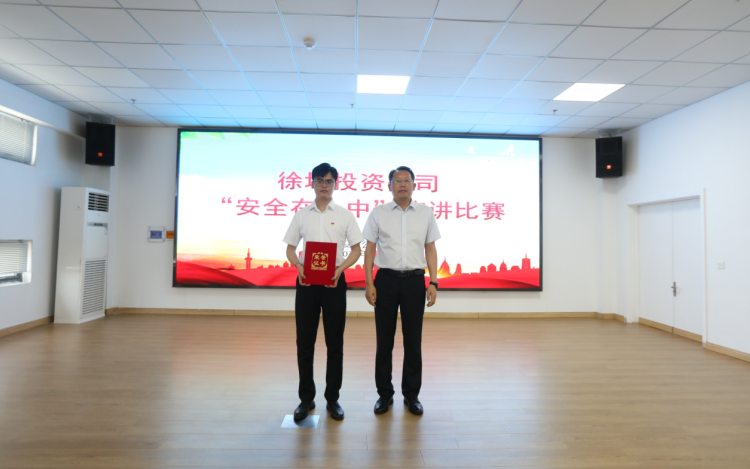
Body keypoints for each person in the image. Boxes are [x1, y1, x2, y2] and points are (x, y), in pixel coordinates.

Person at [283, 162, 363, 422]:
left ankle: (333, 399)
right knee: (304, 343)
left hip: (334, 284)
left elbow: (356, 249)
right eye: (320, 180)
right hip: (306, 285)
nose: (324, 185)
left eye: (329, 181)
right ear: (312, 183)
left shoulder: (345, 215)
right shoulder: (301, 215)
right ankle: (306, 399)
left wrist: (341, 269)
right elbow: (290, 248)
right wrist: (298, 266)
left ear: (335, 184)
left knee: (334, 343)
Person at [362, 166, 440, 416]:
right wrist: (369, 283)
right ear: (389, 186)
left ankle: (411, 395)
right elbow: (370, 249)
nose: (403, 184)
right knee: (384, 341)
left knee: (413, 341)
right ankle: (384, 395)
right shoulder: (379, 212)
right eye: (397, 181)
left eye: (407, 180)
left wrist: (434, 282)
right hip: (385, 281)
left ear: (414, 185)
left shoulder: (425, 213)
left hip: (414, 281)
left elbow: (430, 249)